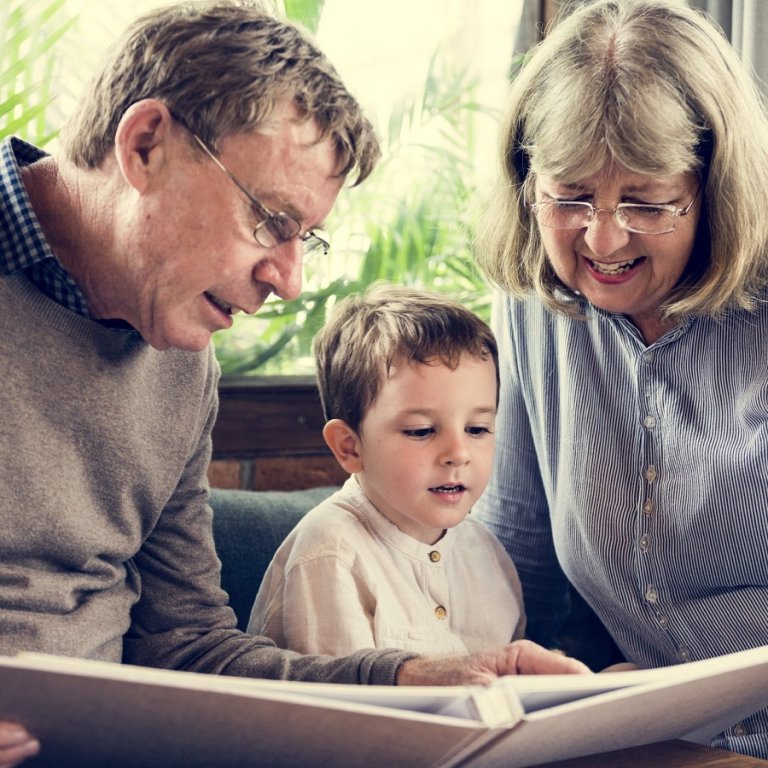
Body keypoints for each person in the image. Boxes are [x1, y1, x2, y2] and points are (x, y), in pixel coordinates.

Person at [0, 2, 589, 765]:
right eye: (270, 221)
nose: (288, 281)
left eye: (304, 238)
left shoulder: (181, 363)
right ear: (147, 146)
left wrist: (424, 680)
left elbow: (190, 648)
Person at [472, 0, 768, 759]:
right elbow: (520, 549)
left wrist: (675, 686)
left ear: (714, 189)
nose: (602, 240)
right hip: (637, 729)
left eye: (646, 202)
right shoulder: (534, 303)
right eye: (569, 197)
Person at [248, 283, 526, 655]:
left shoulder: (488, 553)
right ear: (350, 447)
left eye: (477, 429)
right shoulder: (330, 553)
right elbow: (344, 707)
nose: (458, 453)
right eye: (421, 431)